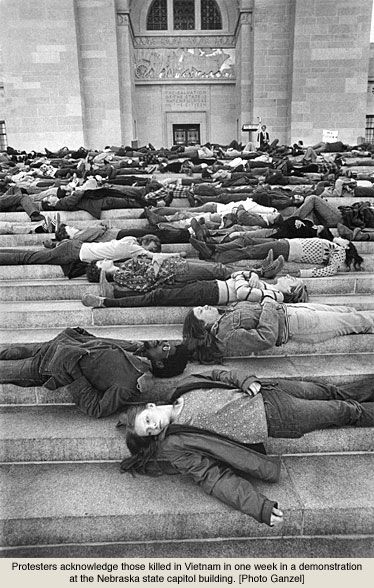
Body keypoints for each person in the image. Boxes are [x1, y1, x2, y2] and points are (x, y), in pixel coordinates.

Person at [119, 368, 374, 526]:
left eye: (148, 421)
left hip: (270, 390)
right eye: (151, 432)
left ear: (150, 407)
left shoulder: (182, 390)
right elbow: (212, 477)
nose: (155, 427)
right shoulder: (175, 444)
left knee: (330, 391)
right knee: (344, 411)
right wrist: (257, 507)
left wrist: (244, 379)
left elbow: (219, 375)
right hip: (278, 417)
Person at [0, 327, 189, 418]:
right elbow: (100, 344)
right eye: (166, 343)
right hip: (59, 344)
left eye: (166, 348)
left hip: (50, 366)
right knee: (12, 352)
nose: (163, 342)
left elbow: (97, 409)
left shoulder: (130, 383)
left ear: (160, 364)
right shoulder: (135, 348)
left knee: (6, 370)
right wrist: (82, 335)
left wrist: (74, 373)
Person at [182, 300, 374, 362]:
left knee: (349, 312)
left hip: (292, 310)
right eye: (201, 311)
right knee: (358, 321)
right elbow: (266, 338)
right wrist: (267, 303)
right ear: (202, 326)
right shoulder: (225, 336)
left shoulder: (225, 315)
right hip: (299, 324)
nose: (205, 306)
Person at [82, 271, 306, 309]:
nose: (288, 277)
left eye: (292, 280)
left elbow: (242, 293)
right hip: (211, 286)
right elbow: (239, 277)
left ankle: (106, 302)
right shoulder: (267, 284)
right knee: (162, 287)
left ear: (291, 291)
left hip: (211, 295)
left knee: (158, 296)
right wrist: (246, 276)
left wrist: (244, 277)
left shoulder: (275, 295)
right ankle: (116, 293)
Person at [190, 234, 363, 278]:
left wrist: (305, 274)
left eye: (344, 240)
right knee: (245, 240)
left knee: (248, 251)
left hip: (288, 249)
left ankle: (215, 256)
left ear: (347, 245)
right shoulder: (334, 247)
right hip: (286, 243)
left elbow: (331, 270)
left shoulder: (339, 251)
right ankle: (213, 248)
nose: (340, 238)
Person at [0, 231, 164, 266]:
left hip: (75, 246)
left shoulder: (130, 240)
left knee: (31, 255)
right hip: (73, 251)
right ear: (147, 241)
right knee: (29, 258)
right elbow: (149, 255)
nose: (152, 252)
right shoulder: (132, 247)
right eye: (153, 247)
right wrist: (181, 253)